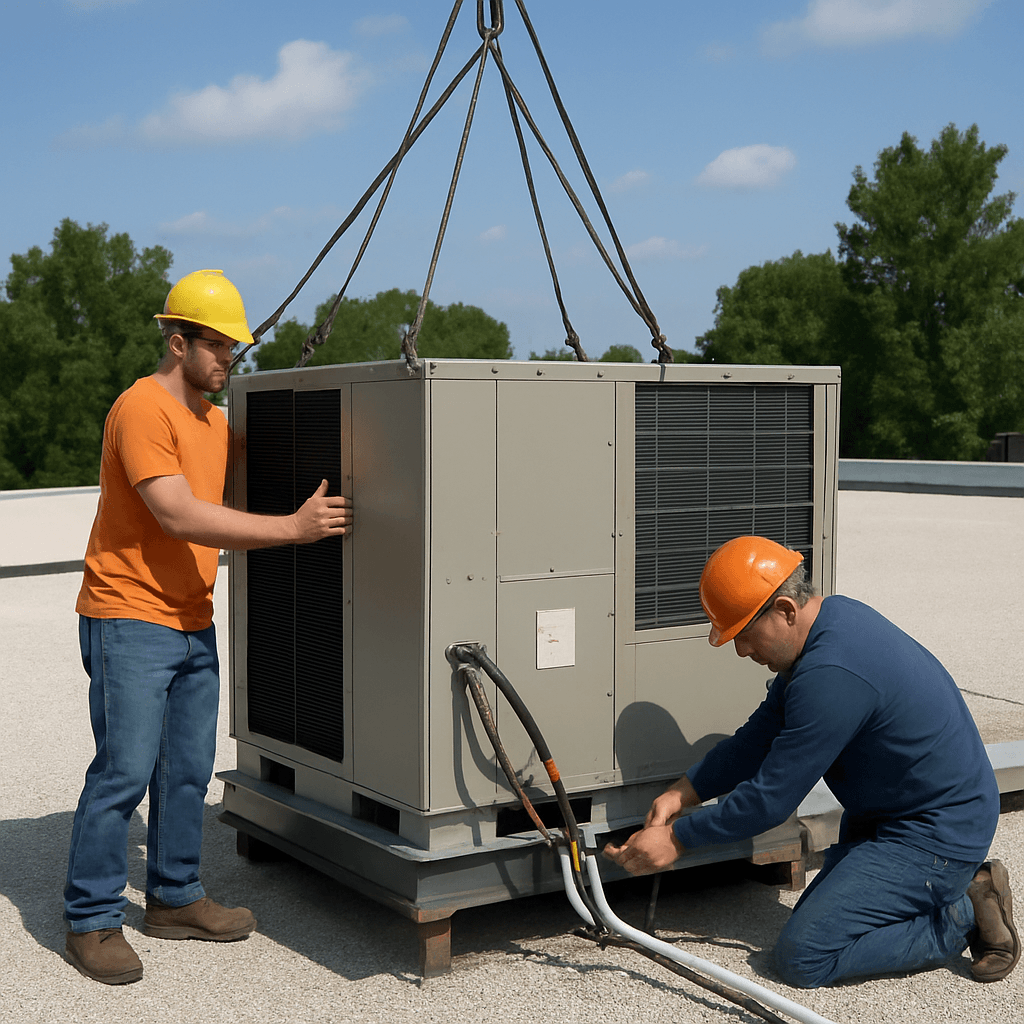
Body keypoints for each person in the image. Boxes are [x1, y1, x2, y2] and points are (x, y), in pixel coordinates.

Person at [64, 269, 353, 985]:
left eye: (236, 349)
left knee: (187, 772)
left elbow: (239, 489)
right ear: (176, 340)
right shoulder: (142, 409)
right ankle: (92, 919)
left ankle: (173, 899)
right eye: (218, 346)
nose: (228, 360)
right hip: (127, 615)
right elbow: (178, 513)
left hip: (191, 620)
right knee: (123, 774)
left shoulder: (213, 421)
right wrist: (292, 530)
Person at [605, 535, 1019, 988]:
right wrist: (682, 792)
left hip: (935, 834)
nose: (742, 651)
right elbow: (757, 740)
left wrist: (678, 840)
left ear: (784, 609)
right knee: (822, 927)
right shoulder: (830, 623)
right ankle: (947, 889)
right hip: (891, 818)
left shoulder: (831, 674)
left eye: (744, 634)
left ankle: (962, 910)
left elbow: (770, 800)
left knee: (805, 956)